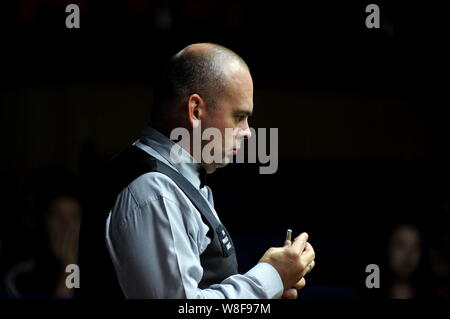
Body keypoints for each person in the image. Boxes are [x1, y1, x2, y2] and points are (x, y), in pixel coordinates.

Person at [78, 43, 315, 299]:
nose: (248, 132)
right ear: (195, 110)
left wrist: (271, 286)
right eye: (239, 117)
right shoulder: (156, 192)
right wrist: (270, 278)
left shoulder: (170, 178)